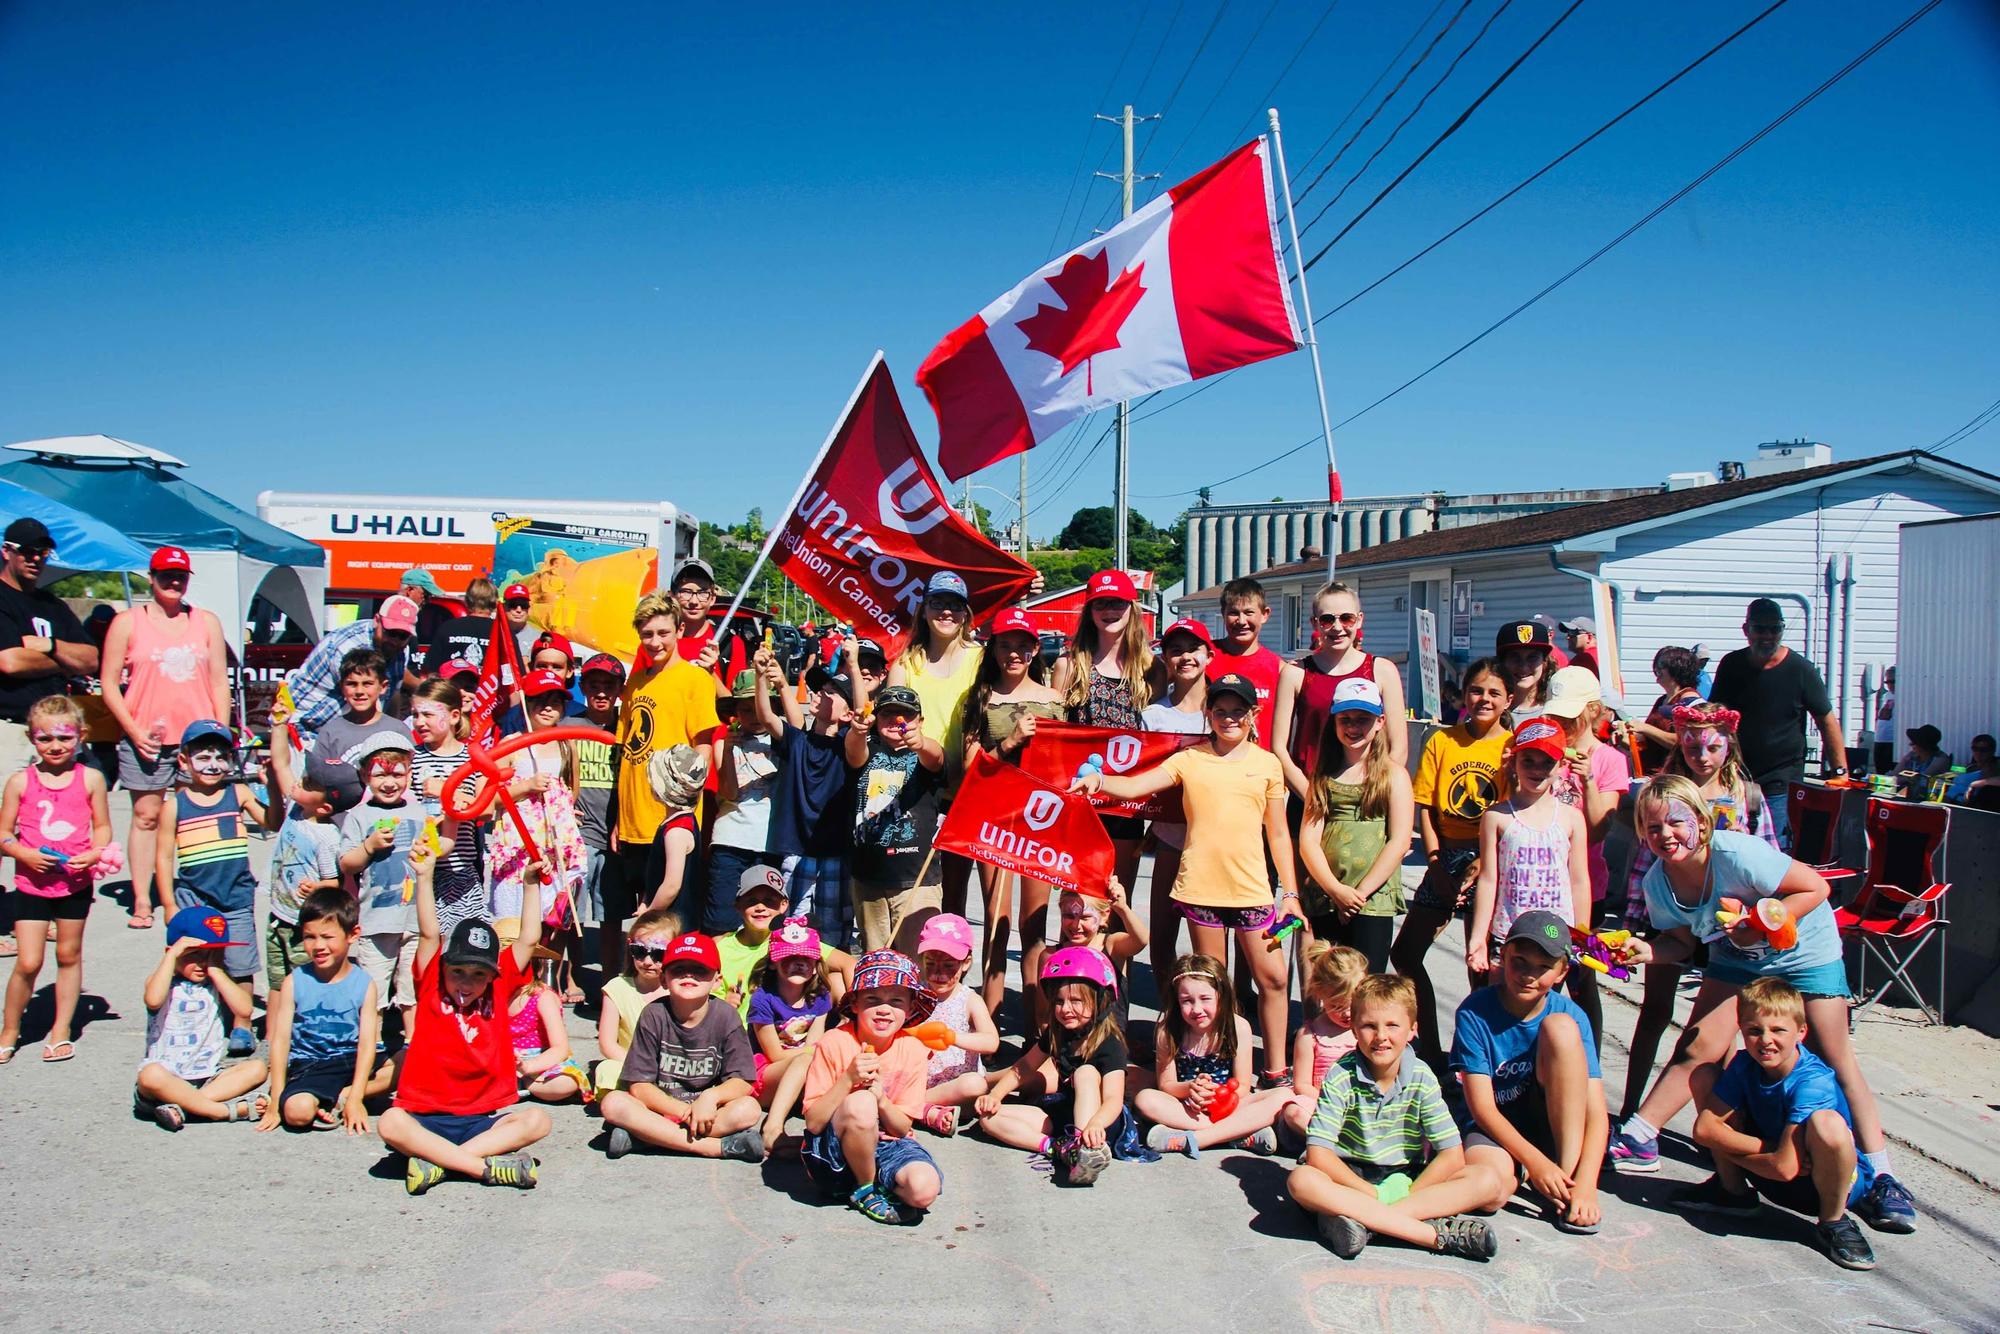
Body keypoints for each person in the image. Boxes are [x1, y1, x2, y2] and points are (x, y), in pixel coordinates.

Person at [1611, 778, 1917, 1235]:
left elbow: (1814, 889)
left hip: (1805, 952)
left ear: (1699, 821)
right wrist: (1648, 952)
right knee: (1698, 1047)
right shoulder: (1659, 881)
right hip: (1736, 958)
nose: (1666, 835)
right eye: (1653, 827)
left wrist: (1762, 922)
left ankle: (1882, 1176)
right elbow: (1679, 943)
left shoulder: (1736, 855)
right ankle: (1638, 1137)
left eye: (1676, 822)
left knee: (1835, 1058)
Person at [1073, 673, 1297, 1086]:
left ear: (1254, 714)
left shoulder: (1268, 764)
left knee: (1275, 979)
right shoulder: (1189, 758)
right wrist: (1100, 781)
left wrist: (1291, 892)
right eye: (1221, 711)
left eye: (1238, 711)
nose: (1229, 719)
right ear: (1209, 714)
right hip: (1201, 889)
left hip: (1254, 892)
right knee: (1215, 988)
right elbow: (1138, 785)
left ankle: (1277, 1070)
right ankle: (1224, 1070)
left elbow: (1278, 833)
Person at [1618, 701, 1780, 1117]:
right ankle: (1631, 1108)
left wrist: (1763, 921)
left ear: (1729, 746)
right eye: (1693, 748)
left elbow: (1771, 857)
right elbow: (1643, 859)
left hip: (1731, 930)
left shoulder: (1749, 797)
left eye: (1712, 747)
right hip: (1672, 915)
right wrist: (1636, 920)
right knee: (1654, 1011)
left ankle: (1717, 1120)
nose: (1703, 757)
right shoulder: (1664, 792)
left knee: (1720, 1029)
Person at [1289, 973, 1502, 1261]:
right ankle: (1434, 1235)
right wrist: (1373, 1195)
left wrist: (1410, 1191)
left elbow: (1452, 1154)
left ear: (1412, 1029)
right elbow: (1319, 1154)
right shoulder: (1341, 1075)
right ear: (1353, 1028)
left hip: (1406, 1179)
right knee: (1302, 1180)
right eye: (1368, 1026)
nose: (1381, 1037)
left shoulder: (1422, 1077)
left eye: (1392, 1025)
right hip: (1350, 1176)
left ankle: (1361, 1223)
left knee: (1488, 1179)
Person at [377, 843, 551, 1194]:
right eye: (458, 971)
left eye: (477, 974)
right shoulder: (430, 984)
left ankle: (437, 1163)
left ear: (492, 976)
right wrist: (424, 877)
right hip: (425, 1117)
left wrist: (531, 884)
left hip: (479, 1119)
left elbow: (529, 939)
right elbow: (429, 933)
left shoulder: (498, 989)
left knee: (538, 1120)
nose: (466, 981)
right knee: (390, 1123)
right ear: (444, 967)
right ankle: (480, 1168)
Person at [1682, 976, 1880, 1270]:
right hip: (1774, 1161)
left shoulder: (1814, 1080)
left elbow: (1785, 1169)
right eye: (1754, 1031)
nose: (1765, 1040)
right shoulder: (1744, 1064)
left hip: (1819, 1182)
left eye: (1778, 1030)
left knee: (1828, 1124)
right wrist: (1772, 1149)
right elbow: (1704, 1130)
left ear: (1801, 1032)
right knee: (1705, 1076)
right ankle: (1733, 1193)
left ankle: (1833, 1221)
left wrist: (1727, 1146)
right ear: (1741, 1030)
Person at [1452, 909, 1609, 1235]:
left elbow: (1596, 1113)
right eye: (1519, 961)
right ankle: (1531, 1171)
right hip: (1495, 1123)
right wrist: (1536, 1164)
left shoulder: (1571, 1014)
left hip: (1551, 1123)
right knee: (1489, 1193)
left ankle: (1564, 1182)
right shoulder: (1475, 1011)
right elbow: (1482, 1108)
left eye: (1543, 967)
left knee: (1560, 1029)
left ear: (1563, 971)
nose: (1528, 974)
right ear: (1502, 955)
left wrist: (1586, 1184)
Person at [98, 545, 228, 931]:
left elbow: (220, 681)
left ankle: (194, 891)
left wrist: (219, 734)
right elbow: (108, 684)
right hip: (146, 736)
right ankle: (143, 896)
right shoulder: (127, 622)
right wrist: (133, 731)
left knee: (196, 815)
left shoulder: (206, 622)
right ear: (151, 578)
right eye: (165, 575)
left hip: (197, 737)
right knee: (146, 816)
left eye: (181, 576)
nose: (173, 582)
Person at [1390, 657, 1511, 1067]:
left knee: (1480, 964)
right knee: (1405, 954)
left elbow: (1511, 808)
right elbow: (1424, 804)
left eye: (1494, 692)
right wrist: (1438, 864)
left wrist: (1479, 867)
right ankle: (1431, 1050)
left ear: (1508, 700)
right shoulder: (1442, 741)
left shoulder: (1511, 747)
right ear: (1463, 696)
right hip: (1446, 855)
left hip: (1492, 857)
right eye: (1476, 690)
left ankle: (1477, 1058)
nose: (1484, 699)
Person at [961, 606, 1065, 1024]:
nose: (1015, 653)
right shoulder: (981, 698)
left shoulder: (1056, 700)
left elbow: (1068, 764)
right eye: (1006, 644)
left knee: (1034, 928)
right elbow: (971, 766)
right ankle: (990, 1027)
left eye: (1023, 645)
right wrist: (1009, 744)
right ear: (994, 648)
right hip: (996, 819)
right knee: (996, 924)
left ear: (1035, 647)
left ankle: (1037, 1029)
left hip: (1042, 821)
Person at [0, 518, 99, 957]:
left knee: (59, 825)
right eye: (28, 550)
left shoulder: (51, 606)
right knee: (4, 831)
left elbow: (91, 658)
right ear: (7, 550)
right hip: (8, 727)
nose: (36, 558)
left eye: (42, 552)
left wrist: (47, 649)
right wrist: (61, 661)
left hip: (55, 735)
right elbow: (8, 663)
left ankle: (47, 910)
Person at [1466, 720, 1598, 1049]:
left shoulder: (1571, 817)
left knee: (1546, 1016)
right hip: (1510, 932)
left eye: (1546, 762)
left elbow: (1579, 880)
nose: (1537, 769)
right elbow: (1488, 878)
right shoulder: (1497, 817)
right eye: (1529, 760)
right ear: (1514, 761)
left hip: (1556, 937)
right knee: (1505, 1014)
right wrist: (1478, 938)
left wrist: (1582, 935)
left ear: (1560, 765)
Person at [606, 592, 720, 970]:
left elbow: (703, 750)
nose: (655, 642)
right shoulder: (635, 682)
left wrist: (684, 805)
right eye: (647, 634)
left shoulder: (694, 679)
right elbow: (627, 754)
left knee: (670, 923)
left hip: (670, 821)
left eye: (662, 632)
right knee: (637, 923)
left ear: (679, 630)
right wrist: (619, 817)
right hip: (633, 821)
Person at [0, 694, 112, 1063]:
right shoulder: (20, 782)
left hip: (74, 885)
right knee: (29, 961)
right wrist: (23, 853)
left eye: (64, 737)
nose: (55, 746)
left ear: (81, 736)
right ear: (32, 738)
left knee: (68, 954)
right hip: (32, 885)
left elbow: (102, 829)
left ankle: (61, 1027)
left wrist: (95, 854)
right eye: (45, 738)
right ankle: (10, 1027)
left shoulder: (91, 779)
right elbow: (4, 835)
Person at [801, 949, 946, 1223]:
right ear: (854, 1004)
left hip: (887, 1144)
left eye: (896, 1001)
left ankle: (879, 1180)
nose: (884, 1009)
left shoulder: (913, 1049)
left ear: (910, 1007)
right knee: (860, 1102)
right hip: (833, 1154)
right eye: (872, 999)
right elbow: (814, 1123)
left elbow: (902, 1128)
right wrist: (848, 1080)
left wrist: (882, 1100)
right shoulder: (835, 1041)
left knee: (924, 1190)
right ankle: (866, 1188)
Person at [976, 947, 1140, 1186]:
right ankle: (1059, 1149)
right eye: (1060, 1001)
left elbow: (1114, 1099)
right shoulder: (1058, 1032)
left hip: (1103, 1123)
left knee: (1086, 1072)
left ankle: (1085, 1150)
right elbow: (1024, 1067)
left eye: (1076, 1001)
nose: (1066, 1009)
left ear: (1099, 1000)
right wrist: (996, 1094)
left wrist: (1095, 1124)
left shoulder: (1110, 1044)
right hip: (1065, 1115)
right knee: (988, 1119)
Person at [600, 930, 767, 1162]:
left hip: (710, 1113)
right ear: (663, 979)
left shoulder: (727, 1016)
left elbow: (743, 1082)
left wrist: (710, 1097)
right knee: (613, 1103)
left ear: (717, 980)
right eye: (678, 969)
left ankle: (646, 1138)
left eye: (700, 970)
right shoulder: (654, 1014)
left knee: (748, 1109)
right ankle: (716, 1147)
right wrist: (682, 1112)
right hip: (659, 1108)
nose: (689, 974)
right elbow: (639, 1086)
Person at [158, 720, 274, 1041]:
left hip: (236, 896)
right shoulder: (174, 806)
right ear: (184, 761)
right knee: (195, 959)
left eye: (220, 756)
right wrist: (168, 903)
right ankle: (200, 1017)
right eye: (203, 757)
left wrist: (274, 785)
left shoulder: (237, 793)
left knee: (240, 963)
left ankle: (241, 1024)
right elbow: (164, 857)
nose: (213, 765)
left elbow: (271, 821)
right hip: (193, 899)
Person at [1708, 597, 1851, 844]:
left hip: (1780, 780)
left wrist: (1840, 772)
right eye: (1760, 628)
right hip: (1734, 775)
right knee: (1728, 843)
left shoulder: (1801, 670)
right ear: (1746, 630)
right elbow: (1714, 715)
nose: (1768, 635)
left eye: (1775, 629)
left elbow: (1826, 720)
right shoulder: (1731, 665)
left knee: (1772, 847)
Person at [1052, 569, 1157, 899]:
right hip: (1082, 798)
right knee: (1080, 898)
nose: (1110, 611)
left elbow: (1161, 733)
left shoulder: (1151, 666)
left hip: (1128, 798)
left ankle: (1116, 954)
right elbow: (1055, 735)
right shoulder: (1068, 665)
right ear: (1089, 610)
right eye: (1101, 604)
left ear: (1132, 608)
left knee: (1117, 896)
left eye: (1118, 603)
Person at [1298, 678, 1413, 972]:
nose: (1353, 727)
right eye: (1345, 719)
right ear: (1334, 721)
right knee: (1332, 984)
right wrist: (1336, 890)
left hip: (1372, 901)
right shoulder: (1322, 776)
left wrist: (1359, 893)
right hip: (1328, 896)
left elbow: (1399, 841)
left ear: (1380, 722)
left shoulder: (1394, 776)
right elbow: (1308, 841)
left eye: (1363, 719)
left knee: (1367, 984)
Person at [257, 886, 393, 1132]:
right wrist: (276, 1096)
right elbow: (280, 1041)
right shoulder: (294, 982)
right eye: (310, 937)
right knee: (297, 1113)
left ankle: (343, 1096)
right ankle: (319, 1096)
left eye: (327, 937)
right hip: (311, 1063)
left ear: (352, 935)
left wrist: (355, 1099)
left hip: (351, 1059)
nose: (318, 946)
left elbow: (366, 1044)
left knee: (407, 1063)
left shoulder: (364, 984)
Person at [890, 571, 985, 919]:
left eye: (955, 605)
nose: (946, 612)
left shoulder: (981, 660)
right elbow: (892, 722)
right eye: (938, 603)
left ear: (966, 614)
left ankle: (948, 969)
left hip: (966, 792)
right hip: (917, 792)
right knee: (915, 895)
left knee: (954, 897)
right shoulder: (906, 663)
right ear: (924, 609)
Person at [1273, 583, 1410, 819]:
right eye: (1327, 620)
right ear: (1314, 623)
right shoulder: (1295, 673)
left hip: (1366, 798)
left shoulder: (1382, 670)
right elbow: (1279, 748)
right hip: (1310, 796)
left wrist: (1371, 791)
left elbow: (1398, 748)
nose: (1337, 627)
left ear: (1359, 620)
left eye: (1346, 618)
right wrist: (1310, 796)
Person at [753, 645, 855, 951]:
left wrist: (854, 664)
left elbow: (865, 719)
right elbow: (766, 716)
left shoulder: (849, 748)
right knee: (789, 932)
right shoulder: (797, 740)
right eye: (820, 688)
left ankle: (833, 998)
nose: (819, 694)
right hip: (794, 851)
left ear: (847, 712)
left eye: (830, 692)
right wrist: (761, 678)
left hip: (835, 855)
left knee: (834, 938)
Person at [1137, 952, 1288, 1156]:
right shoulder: (1169, 1031)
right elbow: (1166, 1085)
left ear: (1221, 995)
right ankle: (1239, 1134)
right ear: (1176, 1000)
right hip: (1189, 1107)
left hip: (1229, 1103)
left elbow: (1243, 1085)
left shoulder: (1238, 1027)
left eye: (1205, 998)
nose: (1197, 1009)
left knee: (1284, 1095)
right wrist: (1191, 1088)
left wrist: (1218, 1095)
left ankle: (1194, 1138)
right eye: (1187, 1001)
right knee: (1146, 1099)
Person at [133, 906, 269, 1130]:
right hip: (165, 1080)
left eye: (212, 954)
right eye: (195, 954)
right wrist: (172, 957)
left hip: (205, 1078)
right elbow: (153, 1000)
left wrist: (217, 971)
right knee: (149, 1075)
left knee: (257, 1068)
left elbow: (245, 1010)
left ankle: (184, 1108)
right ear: (173, 951)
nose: (203, 962)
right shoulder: (163, 980)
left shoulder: (215, 981)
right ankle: (222, 1112)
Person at [335, 730, 439, 1015]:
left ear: (408, 775)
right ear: (365, 776)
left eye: (398, 775)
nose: (390, 783)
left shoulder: (419, 812)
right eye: (381, 775)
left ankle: (412, 1043)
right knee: (374, 990)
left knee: (412, 990)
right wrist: (369, 846)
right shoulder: (359, 815)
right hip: (376, 919)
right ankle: (374, 1042)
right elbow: (346, 863)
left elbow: (437, 849)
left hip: (415, 919)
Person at [845, 683, 945, 953]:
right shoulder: (870, 751)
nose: (896, 721)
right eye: (887, 714)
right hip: (870, 878)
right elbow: (854, 753)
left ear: (920, 721)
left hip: (917, 880)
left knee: (918, 958)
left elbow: (936, 757)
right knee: (875, 957)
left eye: (906, 715)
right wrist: (857, 730)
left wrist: (920, 743)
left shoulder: (923, 754)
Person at [1139, 616, 1210, 994]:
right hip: (1169, 836)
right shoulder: (1153, 715)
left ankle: (1213, 1019)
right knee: (1162, 935)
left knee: (1209, 941)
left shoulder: (1227, 711)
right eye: (1175, 650)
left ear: (1209, 655)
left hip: (1215, 843)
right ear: (1164, 659)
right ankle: (1170, 1013)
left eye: (1193, 649)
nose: (1185, 657)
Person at [488, 670, 587, 939]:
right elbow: (491, 799)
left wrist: (564, 813)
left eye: (554, 702)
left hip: (555, 848)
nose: (547, 708)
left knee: (552, 923)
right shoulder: (510, 745)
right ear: (526, 704)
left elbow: (571, 790)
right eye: (539, 700)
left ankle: (546, 977)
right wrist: (525, 786)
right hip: (519, 845)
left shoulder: (567, 745)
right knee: (514, 923)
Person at [1542, 666, 1632, 957]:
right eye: (1555, 715)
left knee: (1579, 970)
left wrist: (1588, 781)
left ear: (1593, 710)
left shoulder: (1610, 760)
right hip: (1540, 877)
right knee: (1538, 963)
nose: (1560, 722)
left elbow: (1597, 831)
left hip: (1585, 883)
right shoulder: (1543, 752)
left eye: (1569, 716)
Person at [263, 750, 362, 994]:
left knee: (303, 984)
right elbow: (282, 765)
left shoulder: (327, 837)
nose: (299, 782)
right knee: (276, 982)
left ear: (324, 807)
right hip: (278, 915)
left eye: (308, 783)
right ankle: (275, 1032)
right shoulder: (295, 809)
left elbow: (333, 882)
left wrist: (316, 888)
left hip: (304, 924)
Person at [404, 679, 486, 941]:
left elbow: (487, 808)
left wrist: (448, 791)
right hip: (419, 869)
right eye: (415, 714)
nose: (419, 722)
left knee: (461, 946)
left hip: (460, 870)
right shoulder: (412, 757)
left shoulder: (473, 758)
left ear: (453, 716)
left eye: (428, 714)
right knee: (422, 943)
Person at [749, 916, 836, 1152]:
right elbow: (775, 1055)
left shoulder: (820, 995)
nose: (798, 964)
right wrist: (810, 1052)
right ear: (773, 963)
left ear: (816, 963)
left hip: (803, 1069)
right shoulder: (763, 999)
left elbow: (815, 1040)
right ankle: (772, 1128)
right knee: (808, 1059)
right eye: (789, 957)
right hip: (764, 1077)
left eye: (806, 958)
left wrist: (814, 1052)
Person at [914, 913, 1001, 1134]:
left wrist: (952, 1037)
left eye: (949, 965)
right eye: (930, 964)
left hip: (956, 1087)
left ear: (966, 963)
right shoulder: (914, 993)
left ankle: (909, 1107)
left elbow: (991, 1042)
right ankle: (926, 1112)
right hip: (917, 1078)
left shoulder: (969, 999)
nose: (938, 973)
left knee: (976, 1084)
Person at [707, 667, 778, 932]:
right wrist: (728, 749)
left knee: (764, 920)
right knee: (722, 918)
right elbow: (729, 792)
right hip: (731, 839)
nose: (754, 716)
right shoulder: (723, 743)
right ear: (735, 712)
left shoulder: (779, 740)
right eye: (745, 710)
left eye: (758, 707)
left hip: (769, 842)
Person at [569, 652, 622, 998]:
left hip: (618, 836)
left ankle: (609, 983)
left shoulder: (628, 726)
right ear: (583, 687)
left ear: (619, 690)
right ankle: (572, 976)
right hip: (578, 833)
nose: (601, 692)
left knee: (611, 916)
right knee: (571, 915)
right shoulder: (568, 726)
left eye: (608, 685)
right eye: (594, 685)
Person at [286, 595, 418, 732]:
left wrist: (392, 732)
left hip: (339, 732)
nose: (395, 640)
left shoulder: (401, 651)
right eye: (390, 632)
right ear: (377, 621)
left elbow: (392, 696)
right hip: (305, 727)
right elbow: (365, 703)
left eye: (403, 636)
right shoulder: (348, 645)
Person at [1279, 942, 1365, 1146]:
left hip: (1359, 1105)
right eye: (1336, 1005)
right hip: (1320, 1103)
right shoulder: (1310, 1035)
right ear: (1320, 995)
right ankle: (1336, 1148)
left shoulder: (1365, 1029)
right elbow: (1302, 1084)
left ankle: (1331, 1147)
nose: (1346, 1014)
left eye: (1352, 1005)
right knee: (1295, 1112)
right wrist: (1329, 1102)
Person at [594, 906, 679, 1096]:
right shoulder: (617, 988)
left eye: (659, 954)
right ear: (630, 946)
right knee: (607, 1069)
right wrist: (638, 1068)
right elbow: (607, 1044)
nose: (648, 961)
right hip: (630, 1063)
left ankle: (637, 1105)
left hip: (674, 1067)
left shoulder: (678, 989)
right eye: (639, 951)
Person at [1206, 577, 1284, 747]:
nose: (1241, 621)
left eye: (1249, 612)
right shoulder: (1205, 657)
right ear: (1223, 614)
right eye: (1234, 612)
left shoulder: (1280, 669)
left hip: (1258, 766)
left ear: (1265, 614)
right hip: (1210, 761)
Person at [642, 745, 708, 921]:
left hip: (674, 927)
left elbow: (671, 886)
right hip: (668, 922)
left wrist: (648, 915)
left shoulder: (677, 831)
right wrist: (646, 900)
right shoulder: (679, 822)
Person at [1624, 645, 1705, 775]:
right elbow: (1652, 739)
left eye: (1661, 665)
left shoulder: (1691, 701)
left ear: (1677, 668)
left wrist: (1645, 728)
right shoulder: (1662, 700)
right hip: (1650, 775)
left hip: (1673, 778)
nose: (1656, 670)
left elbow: (1686, 742)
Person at [508, 976, 583, 1103]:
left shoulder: (543, 996)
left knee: (566, 1083)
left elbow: (560, 1048)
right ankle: (509, 1085)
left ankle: (524, 1083)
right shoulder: (486, 992)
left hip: (540, 1060)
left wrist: (527, 1067)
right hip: (502, 1059)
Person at [419, 577, 498, 678]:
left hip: (452, 691)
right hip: (489, 691)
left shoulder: (448, 627)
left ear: (467, 601)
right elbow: (515, 675)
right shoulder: (503, 632)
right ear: (495, 603)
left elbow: (431, 672)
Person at [667, 558, 726, 688]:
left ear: (712, 598)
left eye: (702, 592)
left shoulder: (730, 644)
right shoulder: (657, 641)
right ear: (672, 596)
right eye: (685, 592)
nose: (694, 600)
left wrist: (710, 672)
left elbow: (739, 705)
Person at [1493, 621, 1556, 722]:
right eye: (1515, 657)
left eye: (1532, 658)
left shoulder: (1557, 712)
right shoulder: (1488, 711)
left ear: (1544, 663)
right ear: (1502, 662)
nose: (1524, 667)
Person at [396, 568, 453, 666]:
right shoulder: (396, 617)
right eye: (425, 595)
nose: (427, 600)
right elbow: (398, 667)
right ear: (410, 590)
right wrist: (419, 682)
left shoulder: (412, 618)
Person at [1893, 724, 1951, 799]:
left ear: (1923, 745)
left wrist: (1904, 779)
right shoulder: (1912, 756)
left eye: (1914, 743)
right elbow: (1894, 775)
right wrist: (1904, 760)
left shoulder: (1940, 759)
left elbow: (1923, 779)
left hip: (1932, 796)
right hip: (1912, 794)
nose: (1911, 746)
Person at [1946, 733, 1998, 804]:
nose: (1978, 752)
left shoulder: (1992, 768)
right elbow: (1959, 771)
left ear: (1992, 751)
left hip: (1959, 803)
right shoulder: (1971, 766)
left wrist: (1975, 784)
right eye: (1975, 748)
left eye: (1983, 750)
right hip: (1946, 797)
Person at [500, 583, 538, 666]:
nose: (519, 610)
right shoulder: (496, 634)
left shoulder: (538, 638)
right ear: (504, 607)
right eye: (513, 605)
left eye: (524, 605)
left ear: (528, 608)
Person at [1871, 666, 1896, 773]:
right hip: (1880, 739)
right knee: (1880, 769)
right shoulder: (1887, 696)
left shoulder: (1903, 696)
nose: (1890, 685)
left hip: (1892, 741)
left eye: (1893, 681)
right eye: (1887, 682)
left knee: (1888, 769)